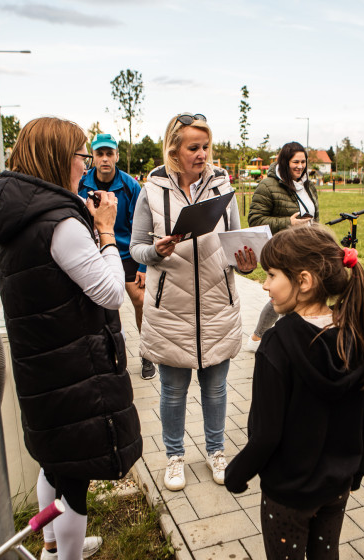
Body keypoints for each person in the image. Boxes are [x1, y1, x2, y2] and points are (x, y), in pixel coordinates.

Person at [0, 117, 142, 560]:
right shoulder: (59, 222)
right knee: (73, 478)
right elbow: (111, 293)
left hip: (41, 357)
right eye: (81, 156)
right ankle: (64, 557)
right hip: (73, 364)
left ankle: (52, 545)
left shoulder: (16, 212)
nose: (85, 166)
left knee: (52, 461)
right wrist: (106, 231)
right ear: (59, 158)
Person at [225, 225, 364, 560]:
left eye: (271, 275)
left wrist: (237, 473)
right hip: (337, 486)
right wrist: (358, 469)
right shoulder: (356, 334)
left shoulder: (277, 343)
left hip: (288, 493)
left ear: (305, 281)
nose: (265, 284)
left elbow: (266, 433)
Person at [129, 113, 256, 492]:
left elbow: (235, 240)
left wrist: (246, 263)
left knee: (216, 388)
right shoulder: (150, 189)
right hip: (171, 308)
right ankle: (174, 456)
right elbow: (135, 248)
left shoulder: (222, 184)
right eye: (193, 148)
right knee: (172, 390)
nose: (202, 155)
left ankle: (216, 451)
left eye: (206, 147)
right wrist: (156, 251)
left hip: (218, 301)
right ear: (174, 150)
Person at [78, 133, 155, 380]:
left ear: (117, 156)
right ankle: (108, 358)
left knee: (140, 299)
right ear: (93, 157)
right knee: (102, 308)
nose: (104, 159)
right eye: (99, 154)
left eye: (109, 154)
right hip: (94, 251)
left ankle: (147, 354)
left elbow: (142, 228)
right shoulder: (82, 184)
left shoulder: (131, 185)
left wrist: (143, 266)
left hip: (127, 251)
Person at [244, 141, 318, 352]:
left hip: (306, 249)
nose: (300, 166)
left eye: (303, 162)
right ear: (284, 162)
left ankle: (263, 337)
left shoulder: (308, 186)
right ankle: (268, 338)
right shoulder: (268, 185)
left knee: (297, 295)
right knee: (288, 295)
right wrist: (289, 222)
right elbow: (255, 219)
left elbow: (315, 218)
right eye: (296, 162)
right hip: (283, 251)